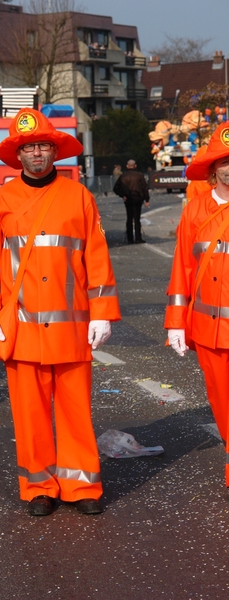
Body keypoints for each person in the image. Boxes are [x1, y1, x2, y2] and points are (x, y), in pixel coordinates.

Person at [0, 108, 121, 517]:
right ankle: (39, 485)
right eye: (29, 147)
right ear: (18, 155)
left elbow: (97, 258)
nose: (37, 153)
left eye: (43, 146)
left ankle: (81, 484)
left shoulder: (80, 197)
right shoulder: (0, 201)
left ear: (55, 151)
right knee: (30, 413)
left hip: (72, 326)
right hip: (20, 328)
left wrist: (103, 312)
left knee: (75, 409)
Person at [164, 122, 229, 491]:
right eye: (223, 161)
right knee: (221, 402)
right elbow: (183, 268)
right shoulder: (194, 211)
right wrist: (176, 322)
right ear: (211, 169)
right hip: (207, 329)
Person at [113, 159, 149, 244]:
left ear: (127, 166)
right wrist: (146, 199)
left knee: (129, 218)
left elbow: (115, 188)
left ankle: (130, 238)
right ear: (135, 166)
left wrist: (123, 195)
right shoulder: (139, 175)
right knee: (137, 218)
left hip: (128, 199)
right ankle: (138, 238)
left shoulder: (123, 176)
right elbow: (144, 188)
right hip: (138, 198)